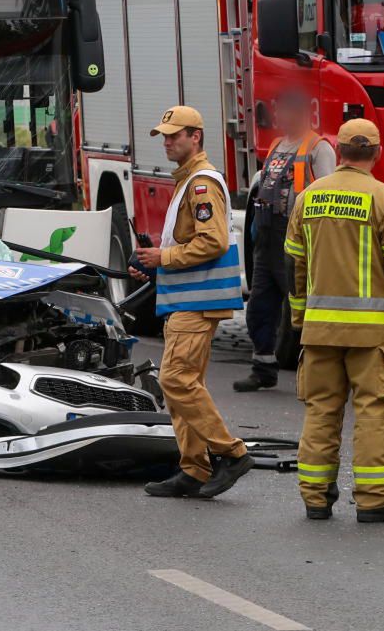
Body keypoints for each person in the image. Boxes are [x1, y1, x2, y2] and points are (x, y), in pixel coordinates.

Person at [285, 118, 384, 523]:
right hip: (372, 333)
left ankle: (315, 497)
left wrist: (300, 315)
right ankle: (375, 500)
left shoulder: (309, 198)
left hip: (319, 330)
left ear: (338, 151)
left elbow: (294, 264)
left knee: (321, 411)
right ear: (377, 153)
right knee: (373, 412)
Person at [133, 106, 253, 499]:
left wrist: (163, 258)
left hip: (196, 302)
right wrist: (153, 264)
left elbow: (212, 242)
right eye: (164, 136)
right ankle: (194, 468)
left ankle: (231, 454)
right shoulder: (188, 180)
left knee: (175, 380)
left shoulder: (201, 183)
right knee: (183, 384)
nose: (167, 142)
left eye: (174, 135)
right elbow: (186, 243)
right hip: (184, 299)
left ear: (195, 136)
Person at [236, 89, 335, 392]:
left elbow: (327, 195)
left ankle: (318, 374)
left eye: (282, 110)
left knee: (301, 308)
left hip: (296, 239)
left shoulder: (318, 147)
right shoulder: (278, 145)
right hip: (267, 239)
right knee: (259, 307)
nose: (277, 116)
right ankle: (263, 368)